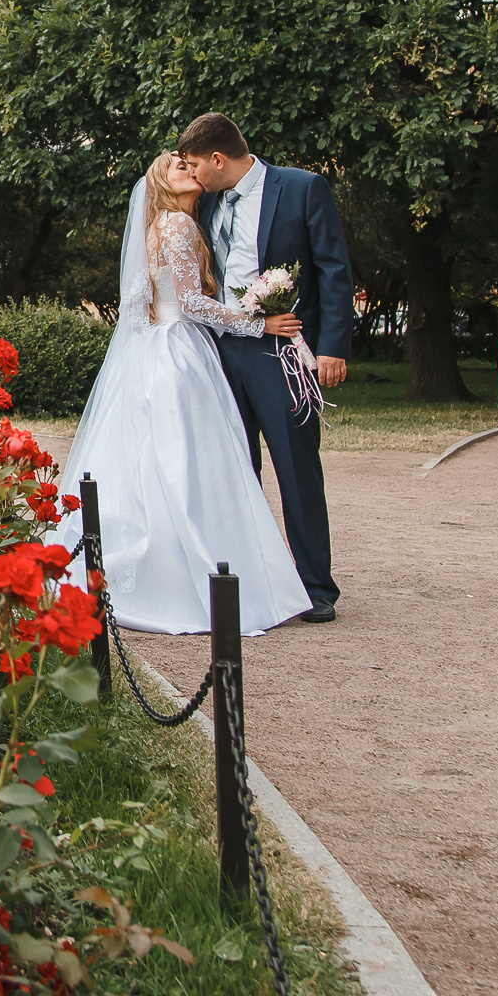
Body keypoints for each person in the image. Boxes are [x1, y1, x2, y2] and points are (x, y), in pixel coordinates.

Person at [48, 153, 314, 635]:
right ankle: (190, 576)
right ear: (162, 185)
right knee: (188, 464)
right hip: (179, 352)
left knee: (169, 462)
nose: (189, 170)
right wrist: (260, 323)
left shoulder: (171, 224)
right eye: (177, 167)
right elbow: (190, 303)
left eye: (190, 164)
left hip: (162, 349)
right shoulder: (176, 224)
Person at [175, 112, 356, 622]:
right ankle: (253, 581)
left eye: (194, 164)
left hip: (283, 352)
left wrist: (332, 346)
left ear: (218, 159)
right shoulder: (204, 201)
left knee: (296, 468)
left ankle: (316, 587)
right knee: (234, 469)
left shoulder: (301, 188)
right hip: (218, 351)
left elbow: (334, 269)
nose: (191, 174)